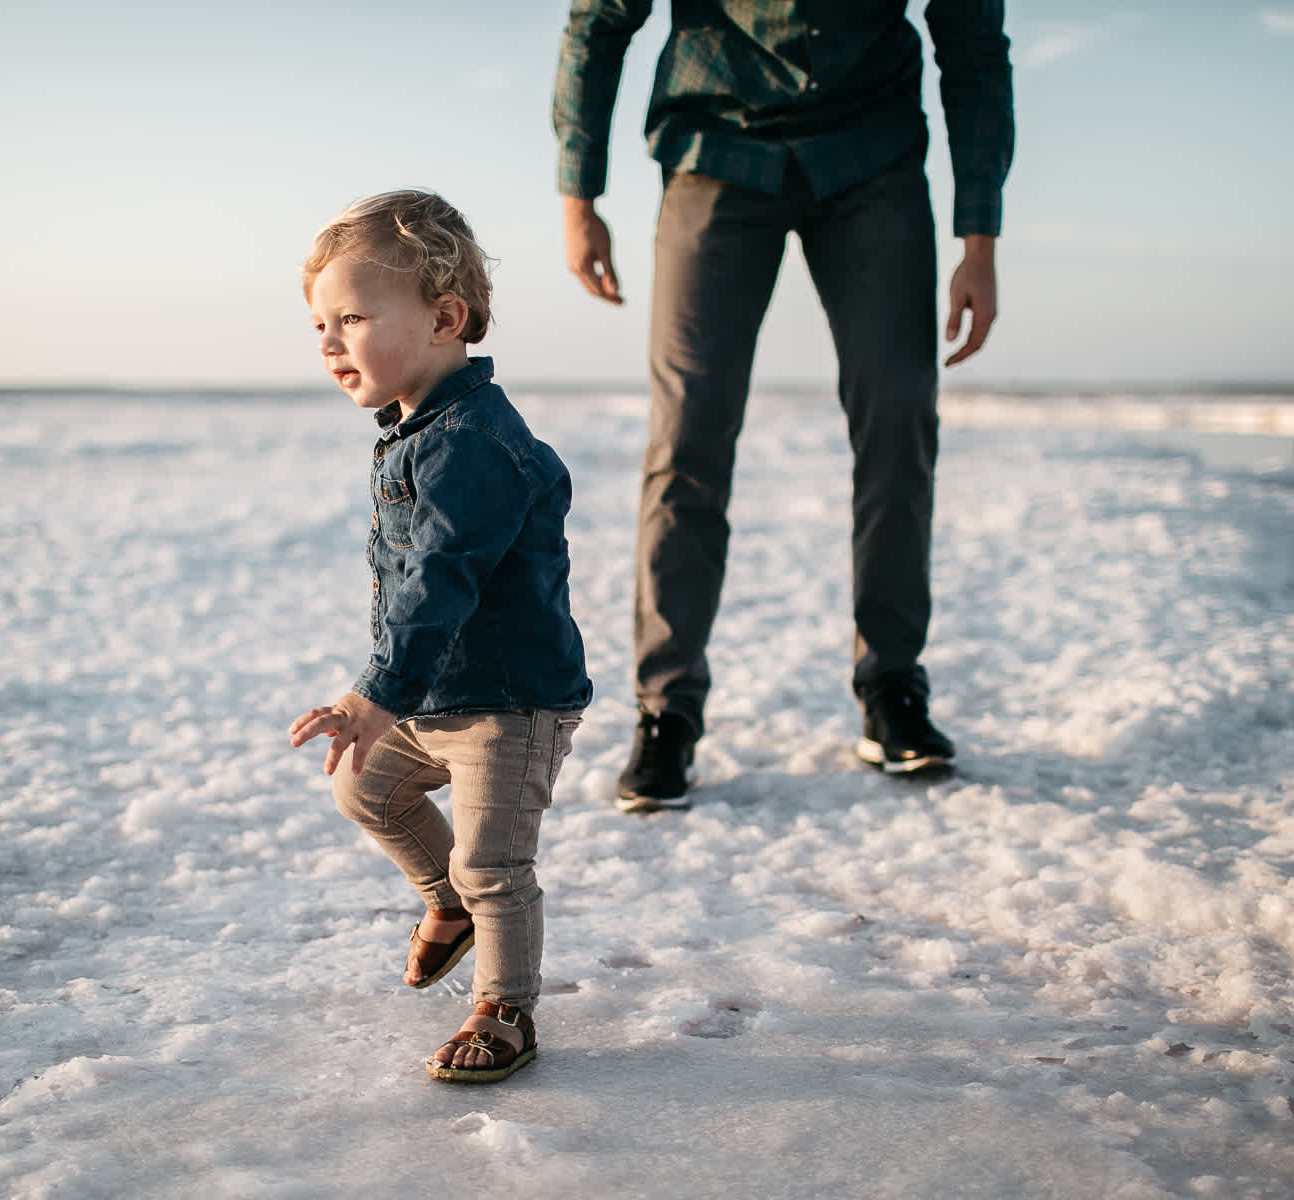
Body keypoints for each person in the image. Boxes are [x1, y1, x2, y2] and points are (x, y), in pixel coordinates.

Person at [552, 0, 1015, 810]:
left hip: (873, 156)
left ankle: (892, 688)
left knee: (900, 418)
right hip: (715, 145)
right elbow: (600, 16)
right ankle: (667, 711)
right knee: (687, 435)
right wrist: (577, 195)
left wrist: (979, 237)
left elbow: (972, 40)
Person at [288, 190, 592, 1083]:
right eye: (319, 323)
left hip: (508, 700)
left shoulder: (470, 443)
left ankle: (505, 1010)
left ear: (444, 317)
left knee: (494, 859)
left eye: (351, 317)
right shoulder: (414, 431)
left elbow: (443, 578)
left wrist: (375, 692)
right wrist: (390, 693)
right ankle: (447, 906)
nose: (329, 342)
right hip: (436, 689)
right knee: (361, 786)